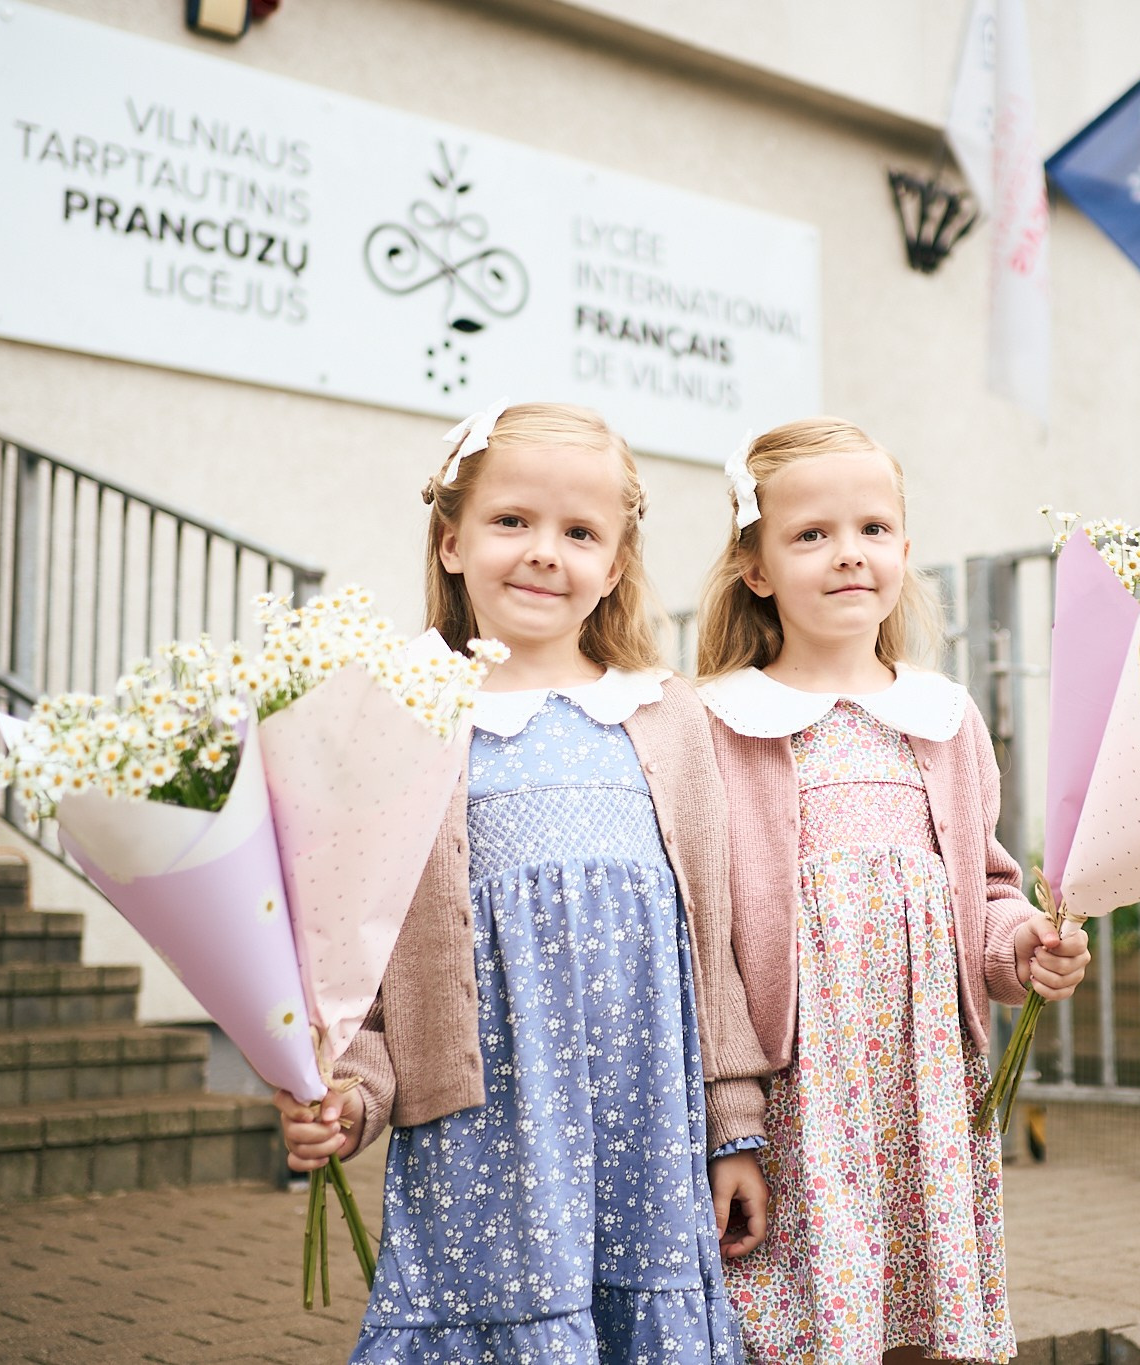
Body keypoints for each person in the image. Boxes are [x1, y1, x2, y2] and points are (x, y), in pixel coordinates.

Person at [276, 400, 772, 1363]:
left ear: (616, 564)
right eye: (513, 521)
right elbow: (370, 962)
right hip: (484, 1153)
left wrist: (735, 1130)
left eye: (579, 532)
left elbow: (710, 951)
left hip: (647, 1156)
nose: (545, 552)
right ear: (452, 540)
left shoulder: (667, 718)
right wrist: (347, 1090)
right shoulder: (410, 714)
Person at [697, 417, 1092, 1364]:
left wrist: (1024, 943)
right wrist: (731, 1126)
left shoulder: (943, 716)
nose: (849, 556)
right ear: (757, 566)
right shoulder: (721, 725)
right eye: (811, 535)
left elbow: (986, 888)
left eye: (874, 529)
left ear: (906, 549)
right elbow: (704, 942)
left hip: (923, 1086)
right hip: (801, 1095)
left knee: (920, 1313)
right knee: (801, 1316)